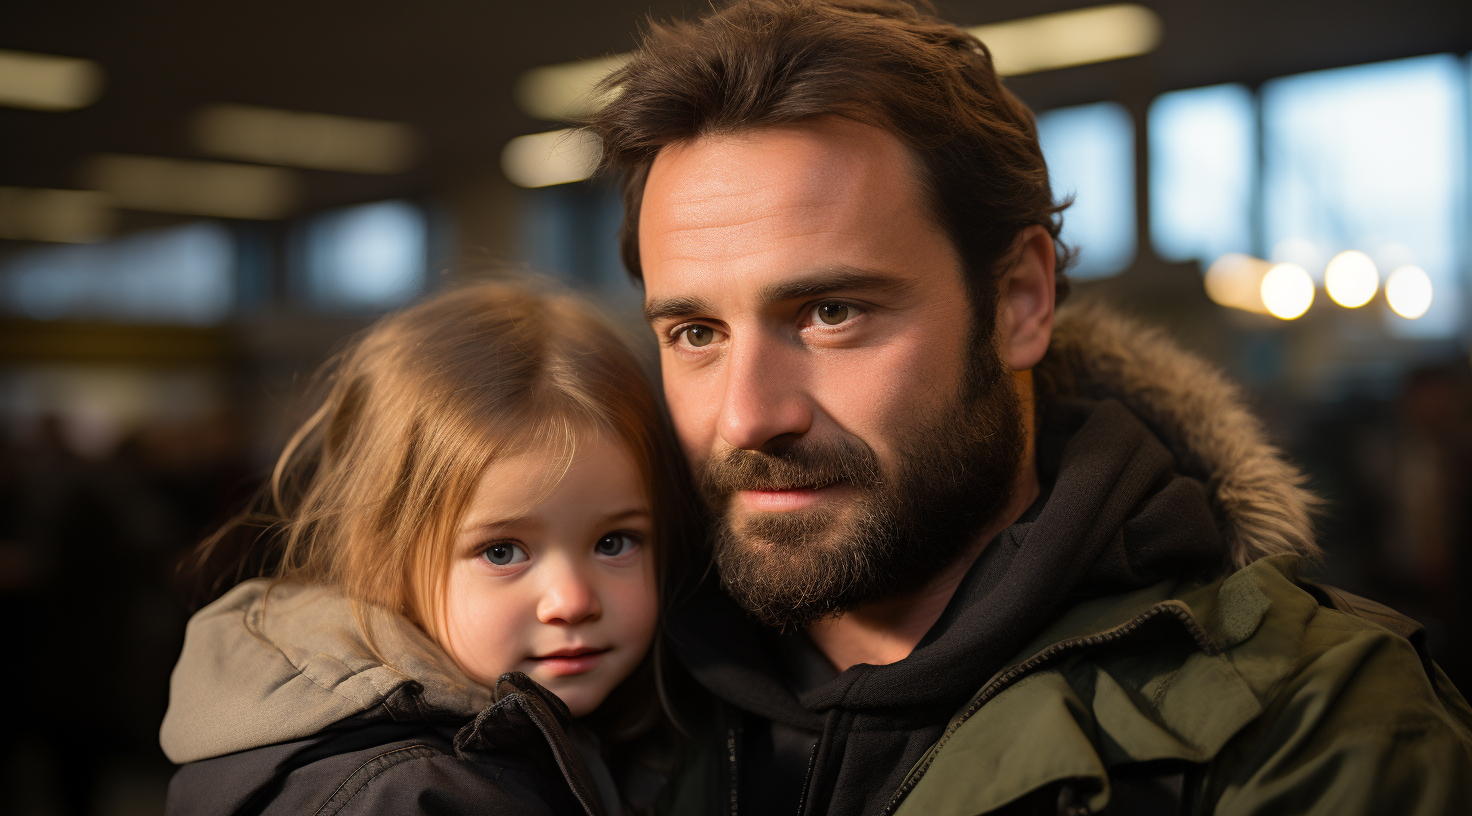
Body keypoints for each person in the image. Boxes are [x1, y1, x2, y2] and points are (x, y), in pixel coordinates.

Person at [585, 0, 1472, 813]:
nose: (747, 417)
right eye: (696, 333)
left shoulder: (1311, 723)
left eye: (830, 313)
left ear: (1018, 302)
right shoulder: (591, 703)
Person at [159, 280, 690, 815]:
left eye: (614, 542)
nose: (574, 601)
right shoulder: (409, 796)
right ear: (381, 556)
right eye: (502, 552)